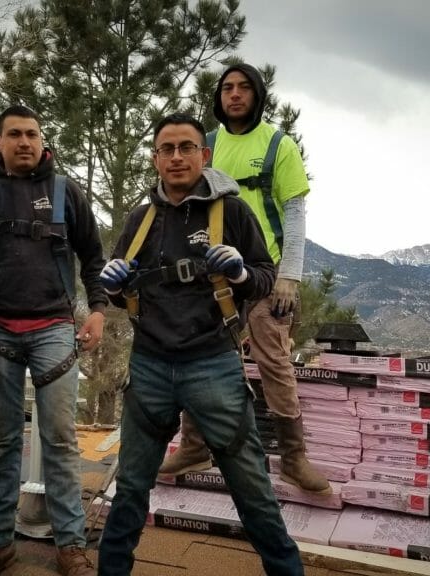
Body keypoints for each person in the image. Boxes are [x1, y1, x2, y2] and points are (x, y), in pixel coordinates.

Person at [97, 113, 304, 576]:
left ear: (203, 155)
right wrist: (112, 287)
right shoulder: (140, 219)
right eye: (166, 149)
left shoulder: (230, 212)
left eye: (186, 147)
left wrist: (242, 274)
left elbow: (265, 277)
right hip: (149, 366)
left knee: (251, 489)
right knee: (130, 489)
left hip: (213, 364)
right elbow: (119, 286)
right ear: (154, 158)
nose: (176, 157)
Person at [158, 63, 330, 494]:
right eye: (227, 87)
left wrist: (289, 276)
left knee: (273, 363)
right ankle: (195, 445)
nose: (234, 94)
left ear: (258, 94)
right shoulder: (206, 144)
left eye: (244, 87)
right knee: (201, 359)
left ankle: (293, 457)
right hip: (211, 277)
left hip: (264, 273)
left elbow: (294, 212)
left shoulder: (277, 144)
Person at [0, 105, 106, 576]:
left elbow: (93, 257)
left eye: (32, 134)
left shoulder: (66, 193)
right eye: (14, 134)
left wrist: (99, 310)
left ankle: (70, 546)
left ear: (43, 141)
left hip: (54, 329)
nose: (24, 142)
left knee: (60, 440)